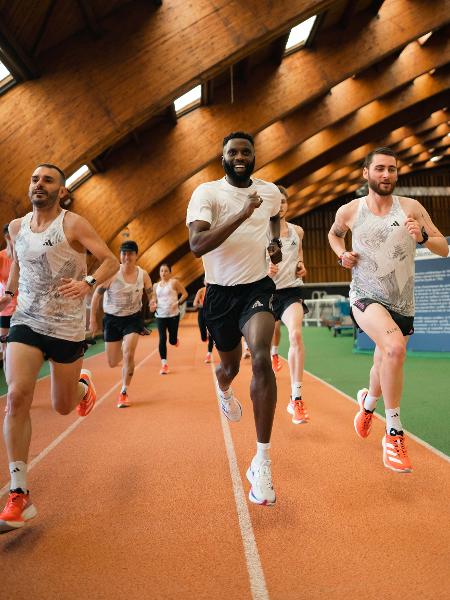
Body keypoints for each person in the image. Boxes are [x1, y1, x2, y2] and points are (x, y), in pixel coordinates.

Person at [0, 164, 119, 534]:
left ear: (62, 191)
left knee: (62, 405)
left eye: (48, 180)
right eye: (34, 178)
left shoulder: (74, 224)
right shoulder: (16, 227)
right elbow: (18, 263)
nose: (39, 184)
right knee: (17, 395)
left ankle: (83, 386)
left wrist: (88, 282)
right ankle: (20, 493)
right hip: (27, 321)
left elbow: (110, 260)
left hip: (67, 327)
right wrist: (9, 293)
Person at [328, 147, 448, 473]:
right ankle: (393, 431)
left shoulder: (411, 208)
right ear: (366, 173)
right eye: (379, 169)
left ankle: (368, 406)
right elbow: (334, 235)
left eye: (392, 170)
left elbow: (442, 247)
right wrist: (341, 254)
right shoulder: (350, 211)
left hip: (403, 302)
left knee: (384, 358)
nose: (386, 175)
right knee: (394, 349)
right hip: (365, 296)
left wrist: (422, 235)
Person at [187, 131, 283, 506]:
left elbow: (276, 215)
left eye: (246, 151)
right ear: (223, 157)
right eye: (233, 152)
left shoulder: (270, 191)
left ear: (254, 156)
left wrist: (273, 243)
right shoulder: (206, 194)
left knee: (260, 357)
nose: (240, 156)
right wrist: (243, 214)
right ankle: (223, 387)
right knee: (229, 368)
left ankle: (261, 461)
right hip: (219, 295)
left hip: (256, 288)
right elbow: (197, 246)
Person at [89, 240, 152, 408]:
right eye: (124, 253)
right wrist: (93, 319)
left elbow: (150, 292)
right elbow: (96, 295)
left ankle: (124, 391)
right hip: (112, 319)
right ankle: (122, 348)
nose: (127, 257)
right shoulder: (112, 274)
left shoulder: (143, 274)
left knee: (128, 354)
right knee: (112, 362)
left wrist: (153, 302)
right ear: (120, 255)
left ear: (136, 255)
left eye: (130, 253)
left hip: (133, 319)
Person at [268, 185, 309, 425]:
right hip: (265, 293)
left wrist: (301, 266)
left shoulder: (298, 231)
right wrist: (264, 269)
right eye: (277, 202)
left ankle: (296, 397)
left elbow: (299, 257)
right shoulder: (262, 231)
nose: (281, 205)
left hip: (290, 292)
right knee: (262, 347)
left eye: (284, 201)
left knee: (295, 335)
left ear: (287, 204)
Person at [150, 264, 187, 375]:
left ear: (170, 273)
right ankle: (164, 365)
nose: (163, 273)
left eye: (166, 271)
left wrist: (178, 303)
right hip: (160, 315)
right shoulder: (156, 286)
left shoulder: (174, 283)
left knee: (172, 340)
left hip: (173, 315)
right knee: (162, 338)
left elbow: (185, 294)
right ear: (159, 273)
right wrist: (153, 304)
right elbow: (153, 298)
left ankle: (175, 340)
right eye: (161, 271)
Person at [0, 223, 17, 374]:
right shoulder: (1, 257)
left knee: (21, 348)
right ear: (7, 237)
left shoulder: (24, 256)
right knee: (5, 348)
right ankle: (9, 381)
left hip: (24, 309)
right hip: (6, 311)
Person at [193, 282, 214, 363]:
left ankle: (209, 353)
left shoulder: (214, 290)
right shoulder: (201, 291)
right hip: (202, 312)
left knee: (211, 333)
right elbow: (195, 303)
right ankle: (205, 338)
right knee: (203, 337)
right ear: (204, 281)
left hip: (211, 313)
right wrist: (202, 305)